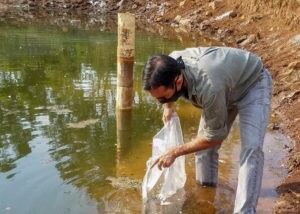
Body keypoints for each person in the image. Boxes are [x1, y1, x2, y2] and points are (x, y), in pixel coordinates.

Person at [142, 47, 272, 214]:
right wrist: (168, 106)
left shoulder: (208, 86)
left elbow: (214, 137)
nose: (160, 101)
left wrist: (175, 152)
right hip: (224, 85)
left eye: (162, 98)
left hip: (252, 84)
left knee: (251, 149)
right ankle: (205, 196)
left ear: (178, 81)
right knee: (204, 152)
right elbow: (207, 140)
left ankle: (245, 211)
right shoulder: (169, 63)